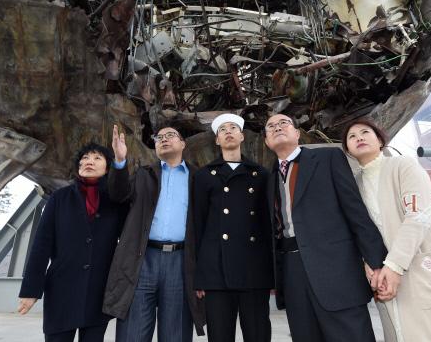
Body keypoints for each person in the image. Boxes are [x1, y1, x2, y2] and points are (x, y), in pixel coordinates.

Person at [343, 118, 431, 342]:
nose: (359, 137)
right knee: (401, 330)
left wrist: (394, 265)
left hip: (420, 261)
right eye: (352, 137)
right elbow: (359, 230)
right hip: (383, 271)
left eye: (365, 132)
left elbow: (418, 216)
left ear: (380, 140)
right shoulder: (354, 184)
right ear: (348, 151)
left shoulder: (403, 165)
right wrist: (369, 265)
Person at [263, 113, 387, 342]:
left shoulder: (328, 157)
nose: (277, 127)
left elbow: (355, 211)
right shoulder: (268, 178)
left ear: (297, 134)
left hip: (336, 270)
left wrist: (377, 261)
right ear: (267, 142)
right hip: (292, 273)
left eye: (284, 123)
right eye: (270, 126)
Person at [102, 123, 205, 342]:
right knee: (133, 333)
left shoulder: (198, 178)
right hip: (142, 260)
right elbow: (118, 195)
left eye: (170, 135)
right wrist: (120, 161)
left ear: (183, 144)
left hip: (181, 261)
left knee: (175, 334)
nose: (164, 139)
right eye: (159, 137)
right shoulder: (143, 175)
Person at [18, 139, 127, 342]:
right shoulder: (59, 198)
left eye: (97, 158)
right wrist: (31, 290)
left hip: (98, 291)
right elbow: (41, 246)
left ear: (107, 167)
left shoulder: (115, 202)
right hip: (61, 289)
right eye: (85, 158)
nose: (89, 161)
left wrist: (121, 161)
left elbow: (127, 239)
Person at [192, 114, 274, 342]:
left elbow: (267, 226)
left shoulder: (260, 174)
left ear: (241, 136)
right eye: (222, 130)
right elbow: (198, 226)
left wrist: (272, 273)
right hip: (216, 271)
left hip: (254, 270)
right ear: (217, 140)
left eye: (233, 128)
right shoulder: (204, 175)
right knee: (219, 336)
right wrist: (199, 276)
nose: (228, 131)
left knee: (258, 335)